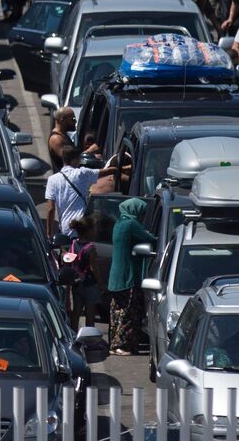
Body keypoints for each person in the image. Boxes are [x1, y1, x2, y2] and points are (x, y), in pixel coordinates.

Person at [108, 198, 156, 355]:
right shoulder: (131, 225)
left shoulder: (119, 223)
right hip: (127, 277)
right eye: (142, 213)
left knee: (117, 312)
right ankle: (123, 345)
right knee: (129, 312)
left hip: (116, 278)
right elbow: (151, 240)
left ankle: (116, 344)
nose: (142, 217)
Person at [45, 145, 106, 237]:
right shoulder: (82, 173)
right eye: (79, 160)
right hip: (84, 227)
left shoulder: (52, 180)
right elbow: (107, 171)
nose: (79, 163)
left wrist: (49, 233)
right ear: (74, 160)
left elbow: (51, 209)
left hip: (66, 229)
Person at [63, 216, 101, 327]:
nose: (95, 231)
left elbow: (68, 262)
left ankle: (74, 336)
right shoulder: (91, 248)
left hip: (77, 283)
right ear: (88, 231)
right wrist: (101, 283)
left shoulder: (74, 244)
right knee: (90, 315)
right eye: (93, 229)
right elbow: (94, 268)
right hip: (89, 284)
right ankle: (89, 339)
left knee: (76, 312)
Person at [47, 107, 75, 172]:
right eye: (72, 119)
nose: (75, 121)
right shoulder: (56, 139)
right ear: (62, 120)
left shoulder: (63, 135)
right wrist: (88, 152)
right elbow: (69, 160)